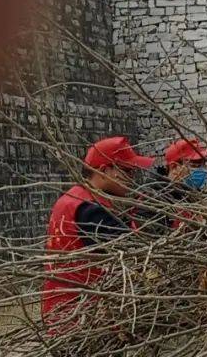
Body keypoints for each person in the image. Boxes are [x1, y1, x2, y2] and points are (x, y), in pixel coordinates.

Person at [41, 136, 155, 332]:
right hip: (83, 318)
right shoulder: (90, 211)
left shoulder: (74, 198)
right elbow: (135, 252)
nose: (132, 178)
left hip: (65, 312)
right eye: (127, 171)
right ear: (104, 171)